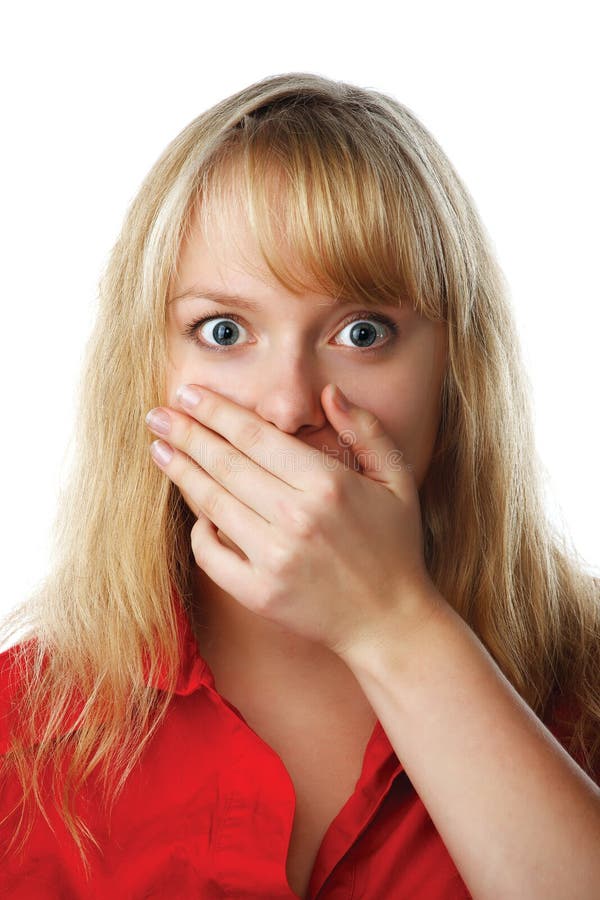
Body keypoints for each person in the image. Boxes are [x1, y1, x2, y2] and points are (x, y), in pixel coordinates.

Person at [1, 71, 599, 900]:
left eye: (363, 332)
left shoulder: (590, 684)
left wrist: (393, 625)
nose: (287, 408)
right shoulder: (18, 735)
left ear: (455, 372)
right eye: (223, 330)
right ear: (146, 366)